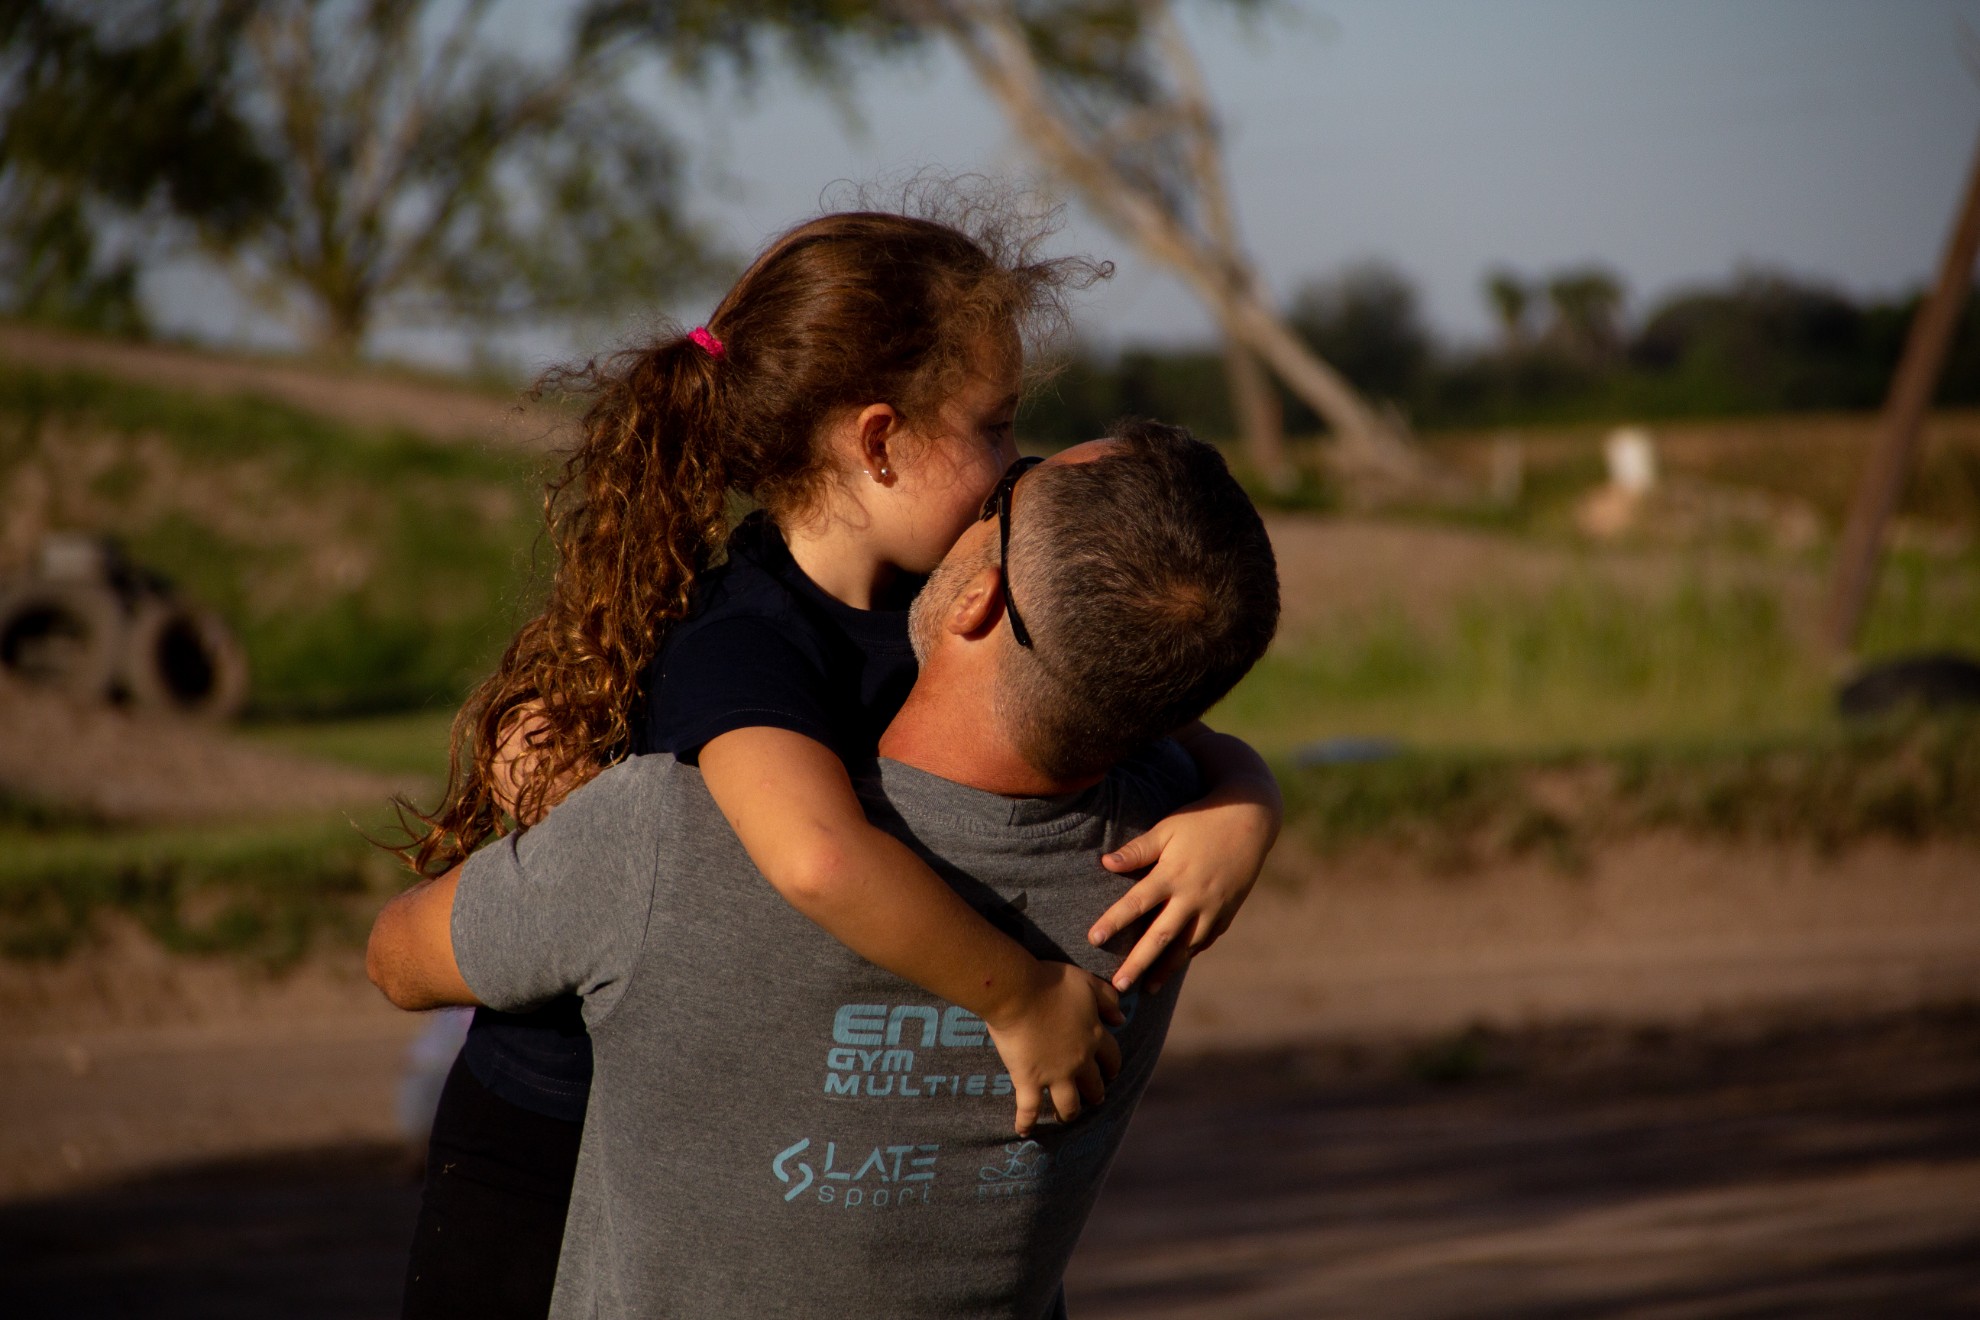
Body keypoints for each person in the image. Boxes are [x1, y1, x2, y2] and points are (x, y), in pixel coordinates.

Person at [390, 210, 1285, 1317]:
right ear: (877, 442)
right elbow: (813, 857)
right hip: (554, 1117)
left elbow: (1144, 708)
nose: (1016, 473)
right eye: (997, 429)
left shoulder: (928, 609)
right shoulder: (745, 642)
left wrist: (1247, 801)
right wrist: (1013, 998)